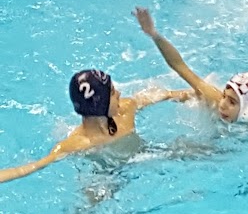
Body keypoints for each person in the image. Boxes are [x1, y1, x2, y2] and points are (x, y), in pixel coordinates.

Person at [0, 69, 190, 184]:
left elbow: (158, 95)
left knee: (192, 151)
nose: (120, 94)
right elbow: (33, 166)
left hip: (144, 153)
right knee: (90, 207)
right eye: (114, 93)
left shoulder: (125, 109)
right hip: (104, 173)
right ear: (100, 104)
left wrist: (188, 94)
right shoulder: (76, 144)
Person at [133, 7, 248, 126]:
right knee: (194, 95)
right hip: (203, 103)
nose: (223, 104)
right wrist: (154, 34)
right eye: (225, 96)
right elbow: (179, 66)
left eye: (232, 102)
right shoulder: (216, 101)